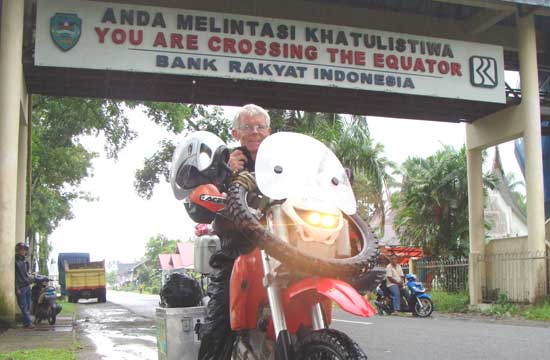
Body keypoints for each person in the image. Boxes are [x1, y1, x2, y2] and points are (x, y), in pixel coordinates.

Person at [198, 104, 271, 360]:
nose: (255, 132)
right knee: (216, 325)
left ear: (269, 130)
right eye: (247, 127)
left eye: (260, 126)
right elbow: (206, 192)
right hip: (237, 250)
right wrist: (226, 172)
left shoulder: (284, 161)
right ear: (236, 132)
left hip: (282, 247)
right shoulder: (226, 160)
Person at [15, 242, 34, 329]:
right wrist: (17, 288)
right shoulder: (15, 262)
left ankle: (25, 323)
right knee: (23, 306)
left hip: (27, 285)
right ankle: (29, 323)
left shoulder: (25, 262)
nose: (23, 251)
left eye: (25, 250)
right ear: (18, 250)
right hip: (21, 287)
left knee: (28, 305)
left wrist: (30, 280)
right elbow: (14, 276)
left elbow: (26, 273)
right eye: (22, 250)